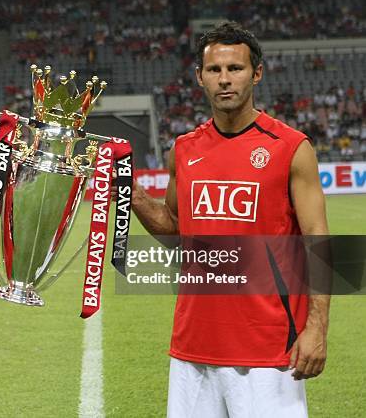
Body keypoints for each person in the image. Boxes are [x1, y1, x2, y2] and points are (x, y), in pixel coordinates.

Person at [131, 22, 330, 417]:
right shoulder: (184, 150)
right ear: (200, 77)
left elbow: (318, 240)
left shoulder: (291, 147)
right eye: (214, 70)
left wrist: (317, 328)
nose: (225, 80)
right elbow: (174, 228)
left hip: (267, 351)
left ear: (256, 73)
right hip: (193, 347)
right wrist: (132, 194)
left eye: (235, 69)